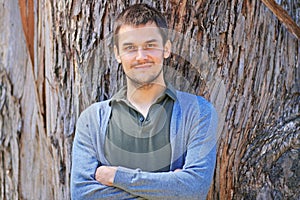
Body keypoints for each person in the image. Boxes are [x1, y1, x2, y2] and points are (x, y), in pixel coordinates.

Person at [71, 3, 218, 200]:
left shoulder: (199, 112)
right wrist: (169, 188)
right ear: (117, 54)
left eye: (150, 45)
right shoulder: (93, 119)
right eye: (130, 48)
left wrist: (116, 176)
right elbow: (82, 195)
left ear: (166, 48)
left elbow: (194, 190)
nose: (141, 57)